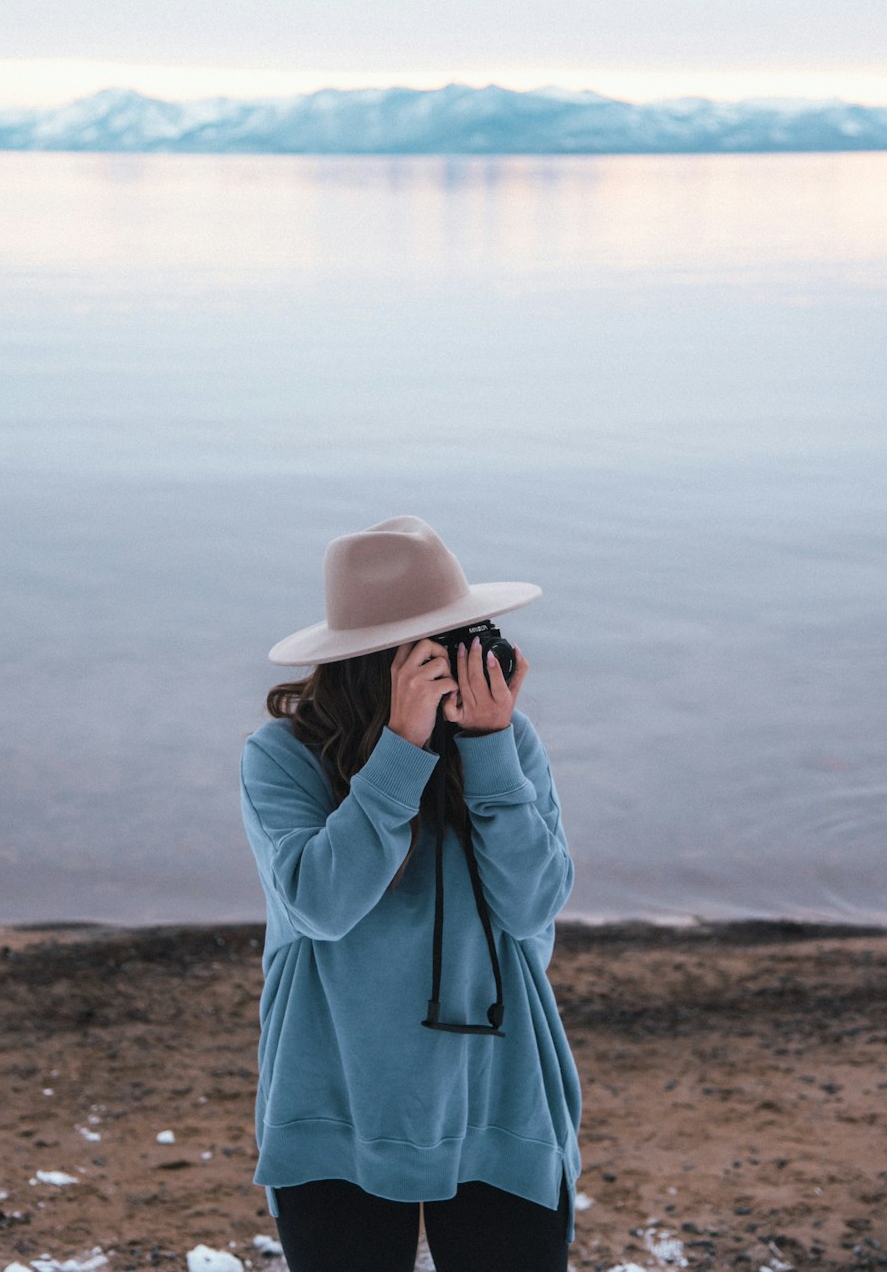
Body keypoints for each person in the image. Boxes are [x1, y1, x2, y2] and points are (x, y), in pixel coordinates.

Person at [239, 515, 582, 1272]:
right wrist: (401, 751)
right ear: (379, 662)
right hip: (336, 1092)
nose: (471, 655)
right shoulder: (282, 757)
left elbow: (531, 905)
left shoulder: (504, 741)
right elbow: (320, 905)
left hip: (495, 1088)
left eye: (472, 633)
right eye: (446, 640)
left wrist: (491, 748)